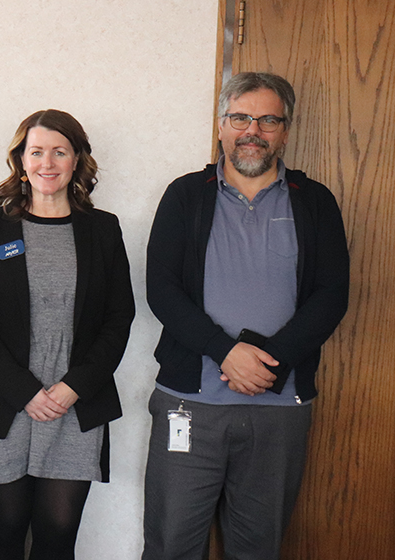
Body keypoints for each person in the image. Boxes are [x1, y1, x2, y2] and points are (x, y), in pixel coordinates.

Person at [142, 72, 350, 560]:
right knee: (172, 545)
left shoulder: (315, 201)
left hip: (279, 408)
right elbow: (162, 290)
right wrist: (226, 353)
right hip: (189, 403)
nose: (252, 130)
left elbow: (332, 295)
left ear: (285, 131)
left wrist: (269, 362)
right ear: (221, 126)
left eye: (268, 120)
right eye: (240, 118)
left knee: (257, 549)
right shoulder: (185, 195)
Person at [0, 109, 136, 560]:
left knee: (57, 534)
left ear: (77, 160)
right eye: (36, 152)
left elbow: (119, 318)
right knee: (4, 530)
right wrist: (25, 392)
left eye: (60, 152)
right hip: (4, 403)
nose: (47, 163)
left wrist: (73, 388)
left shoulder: (103, 230)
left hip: (76, 404)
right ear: (21, 159)